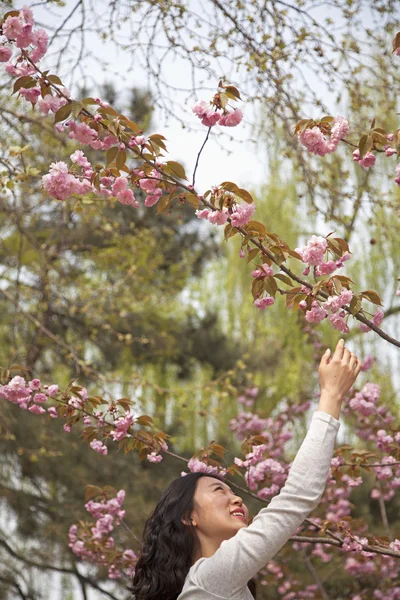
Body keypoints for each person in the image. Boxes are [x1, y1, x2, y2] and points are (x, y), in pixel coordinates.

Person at [130, 339, 362, 599]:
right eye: (219, 490)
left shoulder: (215, 585)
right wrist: (331, 396)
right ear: (188, 516)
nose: (236, 498)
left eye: (231, 491)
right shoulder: (210, 578)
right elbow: (297, 496)